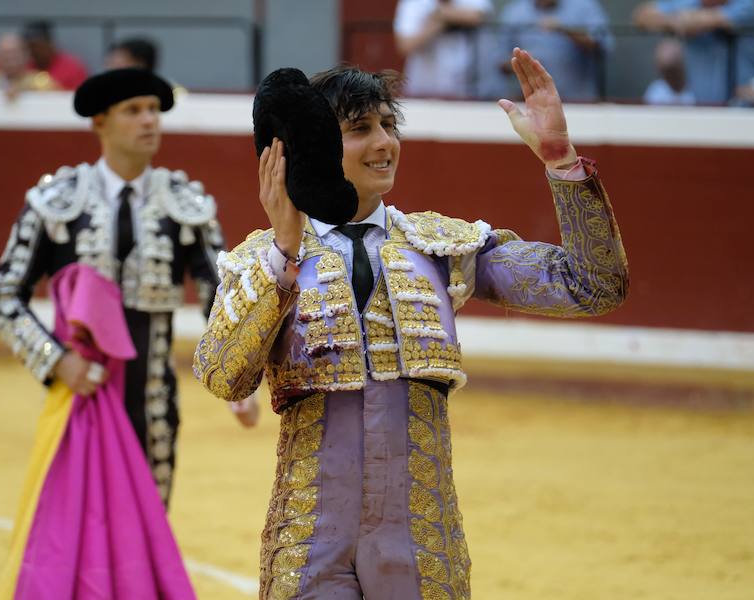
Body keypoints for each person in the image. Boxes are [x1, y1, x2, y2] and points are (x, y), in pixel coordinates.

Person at [194, 48, 629, 598]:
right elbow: (222, 377)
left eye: (388, 125)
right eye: (360, 129)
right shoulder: (264, 259)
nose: (384, 142)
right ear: (313, 146)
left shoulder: (440, 246)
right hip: (309, 537)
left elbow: (592, 285)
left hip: (421, 538)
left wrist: (562, 163)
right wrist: (283, 248)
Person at [0, 68, 228, 505]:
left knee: (146, 529)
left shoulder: (185, 205)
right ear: (100, 122)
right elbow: (4, 299)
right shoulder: (57, 202)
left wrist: (237, 377)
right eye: (133, 111)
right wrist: (57, 361)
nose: (149, 121)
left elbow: (222, 303)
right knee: (81, 529)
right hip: (77, 397)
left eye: (153, 110)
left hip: (153, 408)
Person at [633, 0, 754, 104]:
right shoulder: (689, 3)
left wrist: (687, 20)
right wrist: (673, 21)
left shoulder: (744, 4)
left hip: (743, 104)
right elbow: (642, 16)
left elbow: (703, 22)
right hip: (700, 105)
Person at [491, 0, 612, 102]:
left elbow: (601, 44)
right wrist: (523, 61)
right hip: (532, 101)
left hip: (577, 101)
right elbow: (500, 63)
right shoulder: (515, 11)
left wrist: (564, 29)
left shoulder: (584, 6)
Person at [394, 0, 492, 98]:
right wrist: (436, 24)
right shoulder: (413, 3)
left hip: (464, 87)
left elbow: (479, 15)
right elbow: (405, 45)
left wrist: (441, 14)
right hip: (422, 87)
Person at [0, 33, 58, 100]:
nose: (10, 58)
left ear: (26, 55)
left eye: (15, 53)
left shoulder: (41, 82)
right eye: (5, 54)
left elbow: (57, 102)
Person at [22, 20, 88, 90]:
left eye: (37, 46)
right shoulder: (25, 68)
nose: (33, 51)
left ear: (49, 43)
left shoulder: (73, 68)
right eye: (29, 47)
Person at [643, 37, 697, 105]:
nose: (672, 76)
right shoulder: (655, 92)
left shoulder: (697, 89)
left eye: (674, 70)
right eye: (668, 72)